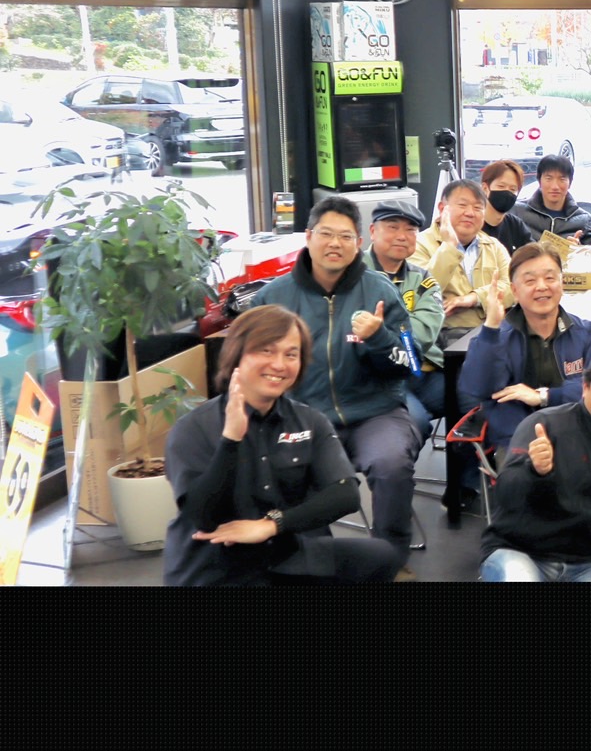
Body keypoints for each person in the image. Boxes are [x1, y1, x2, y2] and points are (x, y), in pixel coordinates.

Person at [163, 305, 401, 586]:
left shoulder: (309, 420)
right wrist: (231, 440)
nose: (279, 365)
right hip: (215, 566)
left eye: (291, 355)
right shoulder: (193, 428)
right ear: (236, 354)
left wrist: (271, 524)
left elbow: (345, 494)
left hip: (284, 554)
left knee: (381, 556)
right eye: (266, 351)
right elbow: (203, 516)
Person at [253, 195, 421, 572]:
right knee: (290, 472)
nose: (335, 244)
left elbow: (410, 362)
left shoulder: (380, 291)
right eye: (326, 234)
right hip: (302, 418)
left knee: (391, 463)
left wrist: (379, 338)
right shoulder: (273, 298)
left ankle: (391, 560)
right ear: (308, 237)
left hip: (375, 413)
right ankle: (318, 563)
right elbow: (250, 366)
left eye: (345, 237)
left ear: (359, 243)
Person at [478, 346, 591, 582]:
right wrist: (534, 471)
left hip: (582, 565)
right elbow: (505, 495)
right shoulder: (543, 425)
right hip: (518, 551)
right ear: (586, 387)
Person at [458, 242, 591, 458]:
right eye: (530, 281)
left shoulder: (589, 334)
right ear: (514, 291)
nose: (541, 286)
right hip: (520, 442)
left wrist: (544, 396)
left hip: (579, 437)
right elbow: (478, 388)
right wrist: (491, 326)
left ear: (562, 283)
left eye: (550, 278)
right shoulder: (497, 338)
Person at [364, 201, 446, 441]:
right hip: (377, 378)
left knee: (478, 399)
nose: (402, 236)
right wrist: (396, 330)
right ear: (372, 231)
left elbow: (423, 334)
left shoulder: (424, 279)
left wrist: (382, 330)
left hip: (424, 372)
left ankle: (467, 470)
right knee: (413, 423)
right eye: (392, 227)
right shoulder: (353, 274)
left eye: (410, 230)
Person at [413, 178, 513, 333]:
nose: (470, 213)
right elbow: (420, 291)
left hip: (493, 331)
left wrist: (473, 298)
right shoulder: (418, 244)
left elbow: (513, 287)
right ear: (442, 208)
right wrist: (449, 246)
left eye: (478, 207)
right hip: (443, 335)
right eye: (462, 205)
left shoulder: (493, 246)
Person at [515, 153, 591, 241]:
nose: (555, 186)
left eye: (562, 179)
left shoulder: (585, 220)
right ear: (539, 181)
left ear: (570, 183)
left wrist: (578, 248)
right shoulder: (518, 212)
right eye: (549, 178)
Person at [479, 158, 537, 255]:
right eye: (501, 186)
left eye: (513, 189)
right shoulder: (473, 224)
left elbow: (534, 255)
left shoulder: (515, 225)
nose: (507, 192)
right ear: (485, 188)